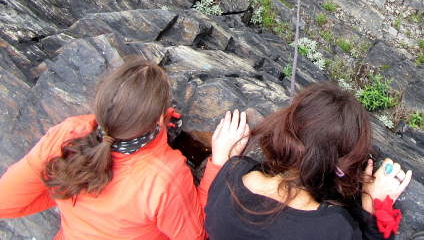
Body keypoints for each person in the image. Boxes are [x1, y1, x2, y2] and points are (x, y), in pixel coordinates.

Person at [0, 57, 249, 240]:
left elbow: (6, 202)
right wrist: (219, 161)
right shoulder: (163, 177)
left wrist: (67, 193)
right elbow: (196, 235)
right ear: (160, 120)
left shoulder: (68, 135)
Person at [204, 82, 412, 240]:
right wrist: (370, 211)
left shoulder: (230, 175)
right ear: (341, 165)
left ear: (286, 128)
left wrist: (222, 159)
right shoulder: (335, 229)